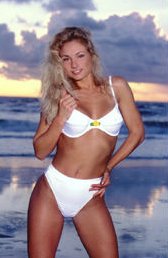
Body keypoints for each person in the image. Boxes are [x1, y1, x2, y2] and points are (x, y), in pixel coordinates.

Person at [27, 26, 144, 258]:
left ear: (92, 54)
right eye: (66, 59)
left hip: (90, 195)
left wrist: (108, 166)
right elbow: (40, 151)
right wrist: (60, 118)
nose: (74, 64)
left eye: (80, 55)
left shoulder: (116, 87)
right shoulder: (59, 95)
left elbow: (137, 133)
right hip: (52, 190)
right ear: (60, 63)